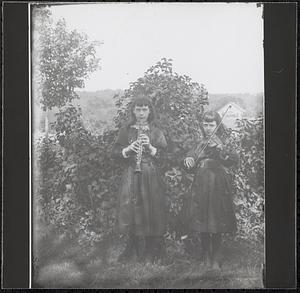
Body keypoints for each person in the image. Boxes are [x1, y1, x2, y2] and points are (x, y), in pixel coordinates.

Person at [112, 95, 168, 263]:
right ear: (133, 110)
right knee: (131, 210)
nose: (141, 113)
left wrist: (150, 147)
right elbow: (114, 153)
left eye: (144, 109)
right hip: (131, 173)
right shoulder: (126, 129)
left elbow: (166, 157)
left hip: (150, 174)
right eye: (138, 109)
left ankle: (151, 251)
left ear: (150, 111)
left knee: (150, 210)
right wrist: (128, 149)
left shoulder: (156, 131)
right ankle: (133, 250)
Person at [183, 110, 238, 270]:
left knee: (217, 219)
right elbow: (190, 161)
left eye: (211, 124)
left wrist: (221, 150)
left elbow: (234, 160)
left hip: (218, 184)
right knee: (202, 219)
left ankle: (216, 256)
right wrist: (188, 159)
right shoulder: (199, 142)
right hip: (201, 183)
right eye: (205, 124)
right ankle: (206, 255)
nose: (207, 128)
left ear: (217, 125)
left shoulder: (224, 142)